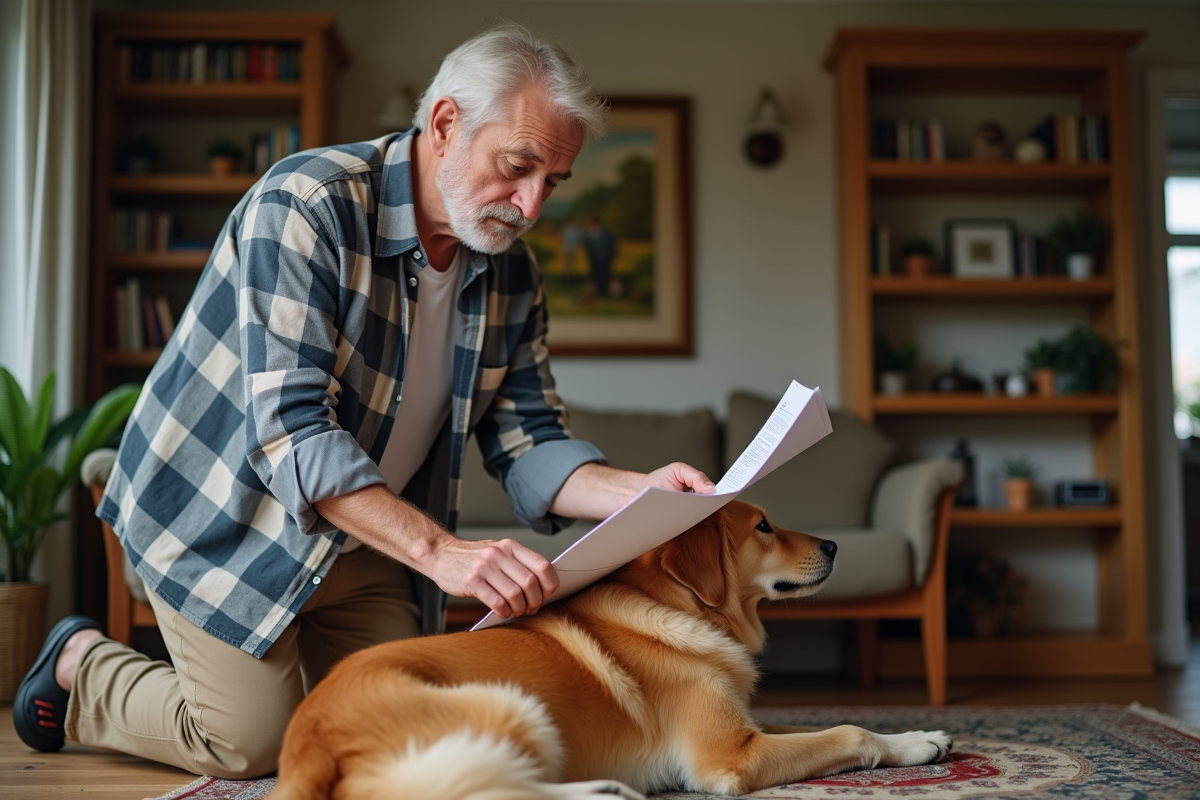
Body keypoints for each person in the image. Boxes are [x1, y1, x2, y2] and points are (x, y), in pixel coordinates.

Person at [12, 24, 713, 778]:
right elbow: (291, 432)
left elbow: (528, 440)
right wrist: (442, 553)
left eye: (555, 181)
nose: (533, 205)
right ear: (445, 125)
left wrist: (638, 494)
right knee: (254, 745)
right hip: (225, 519)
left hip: (369, 540)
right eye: (519, 166)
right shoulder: (308, 204)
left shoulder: (514, 276)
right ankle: (82, 665)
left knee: (408, 730)